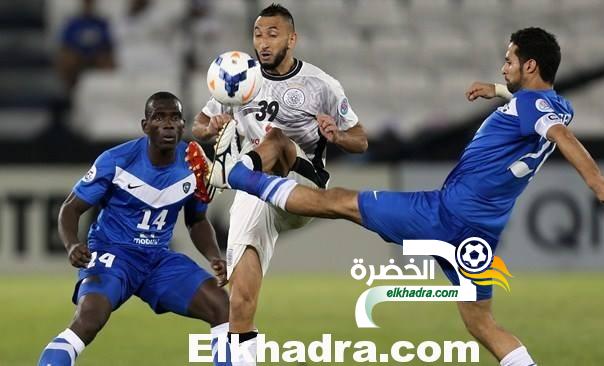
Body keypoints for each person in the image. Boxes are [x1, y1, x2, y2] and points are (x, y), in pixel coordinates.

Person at [194, 28, 604, 366]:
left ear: (530, 65)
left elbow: (560, 134)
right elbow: (544, 111)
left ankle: (239, 176)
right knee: (481, 323)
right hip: (480, 238)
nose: (503, 66)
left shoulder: (544, 115)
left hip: (442, 214)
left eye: (510, 60)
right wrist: (496, 92)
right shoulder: (554, 102)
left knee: (341, 202)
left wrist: (595, 180)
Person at [189, 3, 367, 364]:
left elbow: (360, 139)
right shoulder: (240, 77)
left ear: (292, 38)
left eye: (273, 34)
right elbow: (199, 124)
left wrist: (337, 135)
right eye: (258, 34)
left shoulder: (321, 84)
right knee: (240, 300)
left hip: (302, 187)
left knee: (276, 139)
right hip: (256, 191)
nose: (264, 43)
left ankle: (226, 174)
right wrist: (210, 128)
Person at [37, 92, 230, 366]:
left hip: (157, 261)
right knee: (89, 319)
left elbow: (196, 220)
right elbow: (70, 208)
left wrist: (213, 256)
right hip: (113, 254)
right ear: (145, 125)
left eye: (174, 117)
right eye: (159, 117)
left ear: (183, 125)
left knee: (221, 305)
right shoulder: (116, 160)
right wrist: (71, 244)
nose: (167, 124)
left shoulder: (193, 165)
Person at [57, 0, 115, 91]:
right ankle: (69, 91)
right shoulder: (73, 23)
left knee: (106, 60)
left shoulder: (101, 23)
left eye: (90, 3)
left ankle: (105, 89)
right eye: (86, 3)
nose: (88, 6)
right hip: (78, 57)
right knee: (68, 59)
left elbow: (108, 45)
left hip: (96, 57)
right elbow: (65, 44)